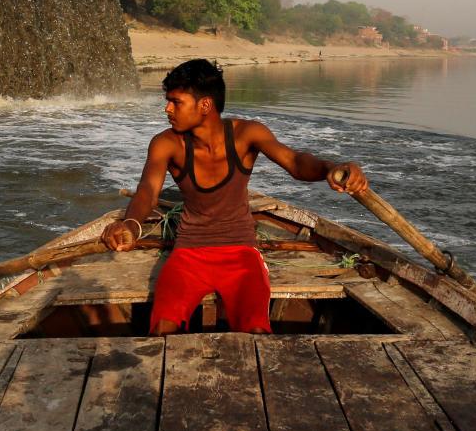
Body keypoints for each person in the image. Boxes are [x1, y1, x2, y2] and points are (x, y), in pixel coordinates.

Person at [102, 58, 369, 335]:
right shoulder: (166, 143)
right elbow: (147, 191)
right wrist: (130, 224)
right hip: (188, 253)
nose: (167, 109)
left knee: (255, 331)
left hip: (241, 252)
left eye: (176, 102)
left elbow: (295, 162)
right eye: (168, 101)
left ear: (204, 105)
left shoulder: (247, 134)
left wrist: (331, 168)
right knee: (162, 329)